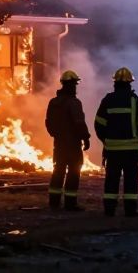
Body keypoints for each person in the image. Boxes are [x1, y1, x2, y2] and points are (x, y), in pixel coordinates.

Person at [94, 67, 138, 217]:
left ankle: (109, 209)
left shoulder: (108, 100)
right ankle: (130, 210)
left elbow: (99, 124)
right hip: (131, 151)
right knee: (130, 180)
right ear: (130, 83)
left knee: (111, 179)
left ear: (115, 83)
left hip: (112, 151)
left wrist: (106, 140)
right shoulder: (135, 101)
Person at [45, 69, 91, 210]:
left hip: (59, 144)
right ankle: (70, 204)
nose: (75, 87)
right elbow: (79, 122)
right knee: (73, 172)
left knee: (58, 171)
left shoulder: (53, 102)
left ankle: (54, 202)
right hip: (73, 144)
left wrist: (56, 135)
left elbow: (48, 123)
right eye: (74, 84)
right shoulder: (74, 102)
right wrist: (86, 137)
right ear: (71, 85)